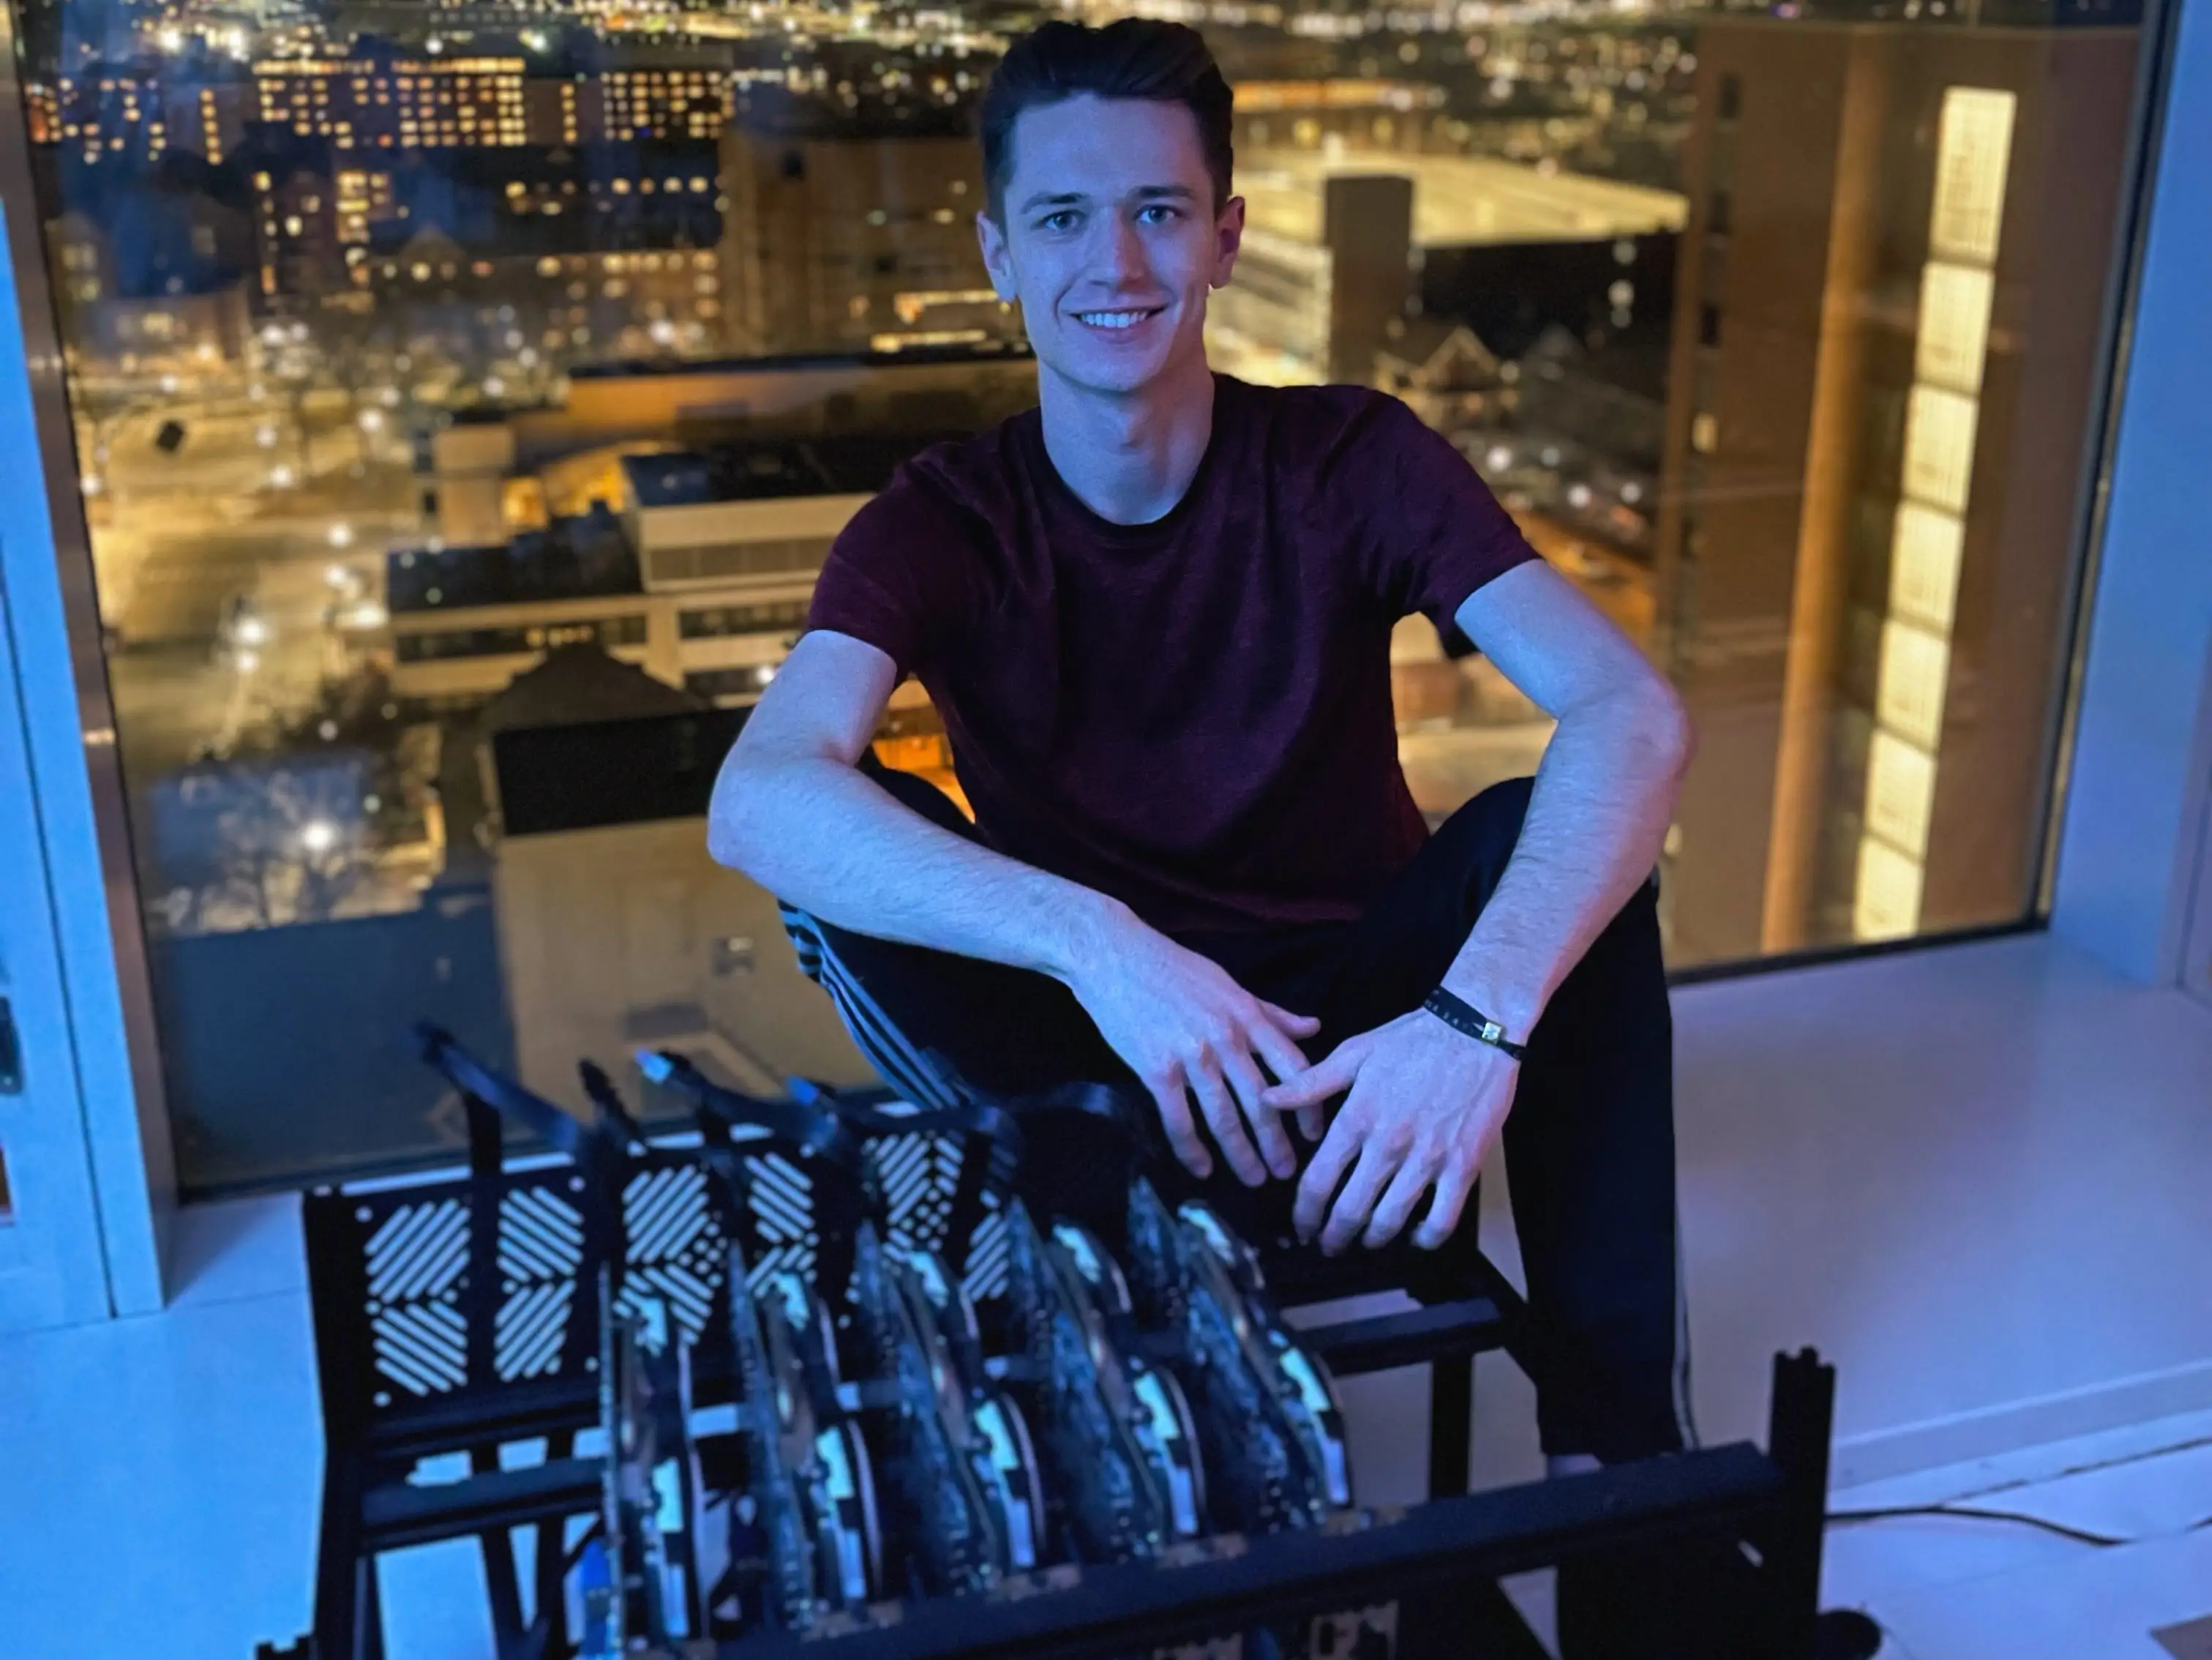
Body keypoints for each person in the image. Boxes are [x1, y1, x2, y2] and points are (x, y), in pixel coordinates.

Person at [708, 20, 1695, 1646]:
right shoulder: (941, 519)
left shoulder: (1348, 458)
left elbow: (1631, 714)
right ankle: (1099, 1272)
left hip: (1365, 1078)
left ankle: (1621, 1485)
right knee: (845, 841)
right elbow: (756, 797)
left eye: (1158, 211)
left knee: (1558, 825)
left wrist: (1468, 1025)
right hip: (1112, 1094)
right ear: (998, 255)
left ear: (1224, 237)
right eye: (1062, 217)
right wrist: (1102, 947)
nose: (1114, 262)